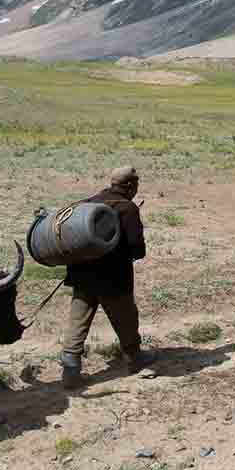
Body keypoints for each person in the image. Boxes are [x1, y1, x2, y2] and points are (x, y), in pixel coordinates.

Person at [60, 165, 156, 390]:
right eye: (136, 185)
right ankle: (135, 359)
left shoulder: (88, 202)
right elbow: (137, 249)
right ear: (130, 185)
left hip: (82, 275)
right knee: (126, 318)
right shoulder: (128, 208)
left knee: (78, 322)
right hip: (113, 279)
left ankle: (70, 372)